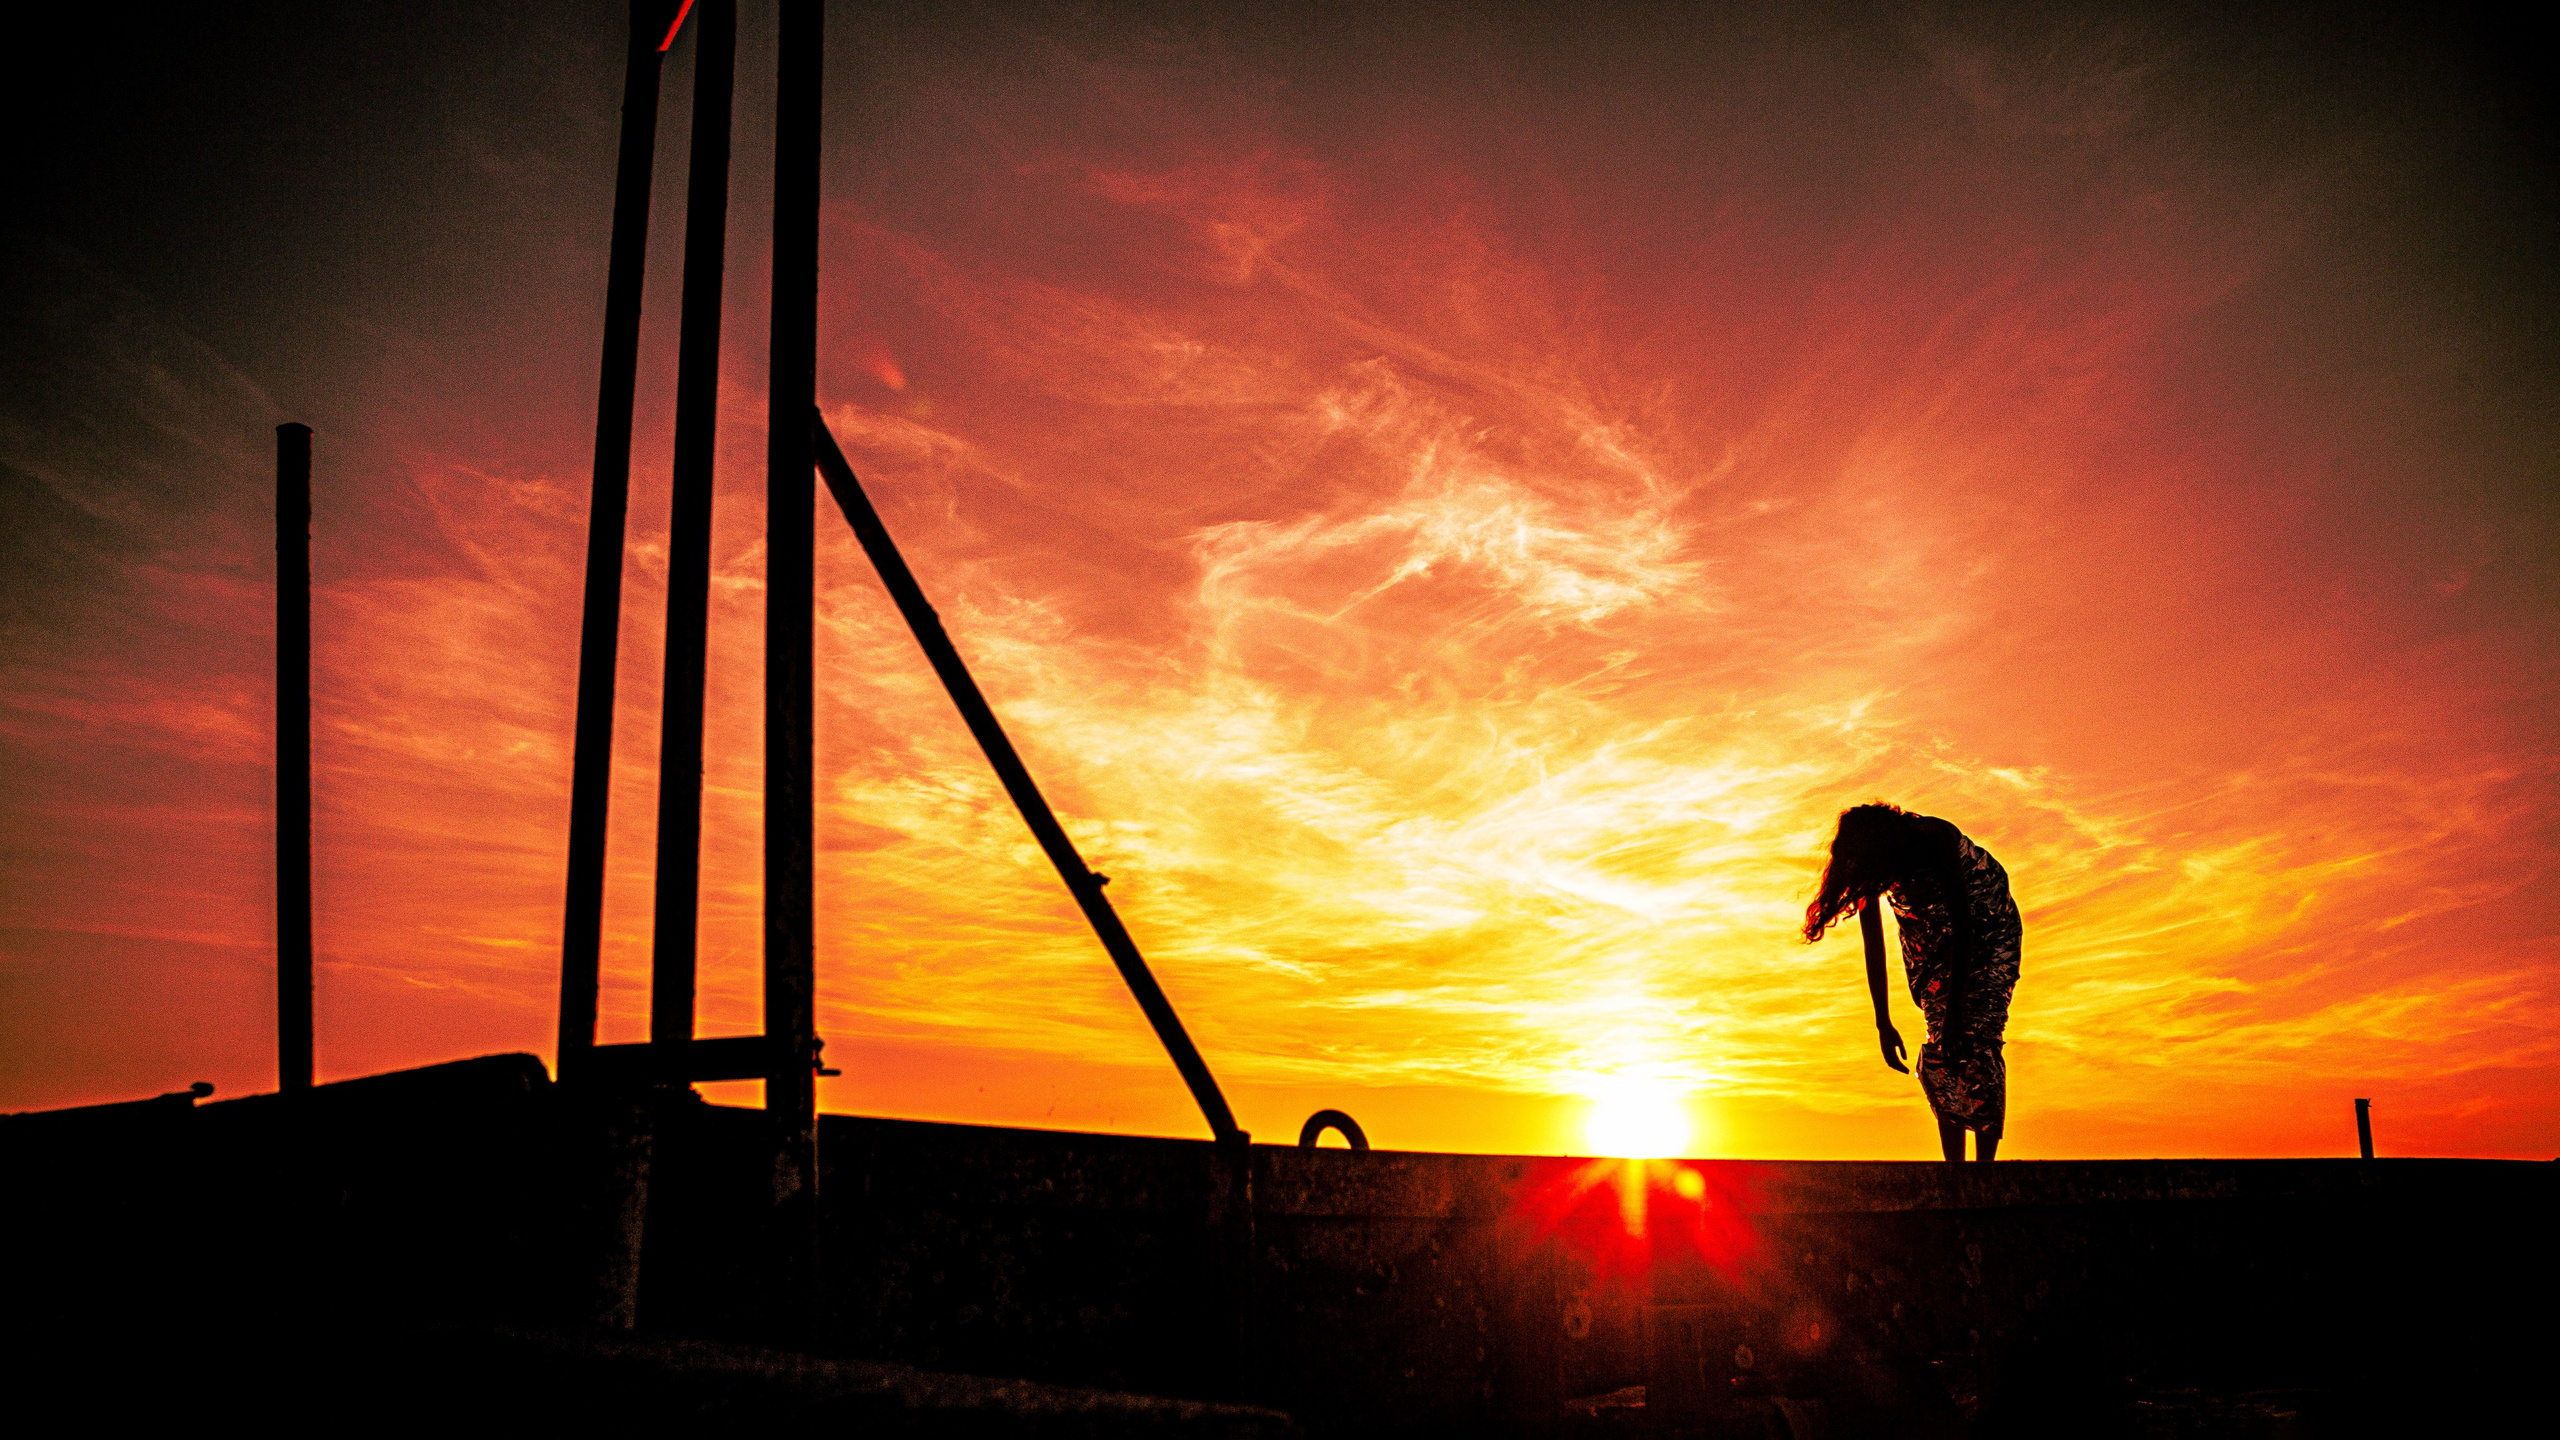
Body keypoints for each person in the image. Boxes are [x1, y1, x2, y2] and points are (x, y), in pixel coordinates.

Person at [1803, 802, 2021, 1162]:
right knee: (1942, 1045)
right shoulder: (1873, 872)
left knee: (1976, 1036)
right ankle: (1955, 1170)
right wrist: (1882, 1023)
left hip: (1987, 931)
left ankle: (1985, 1172)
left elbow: (1964, 925)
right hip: (1929, 941)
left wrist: (1955, 1015)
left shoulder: (1932, 839)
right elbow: (1874, 945)